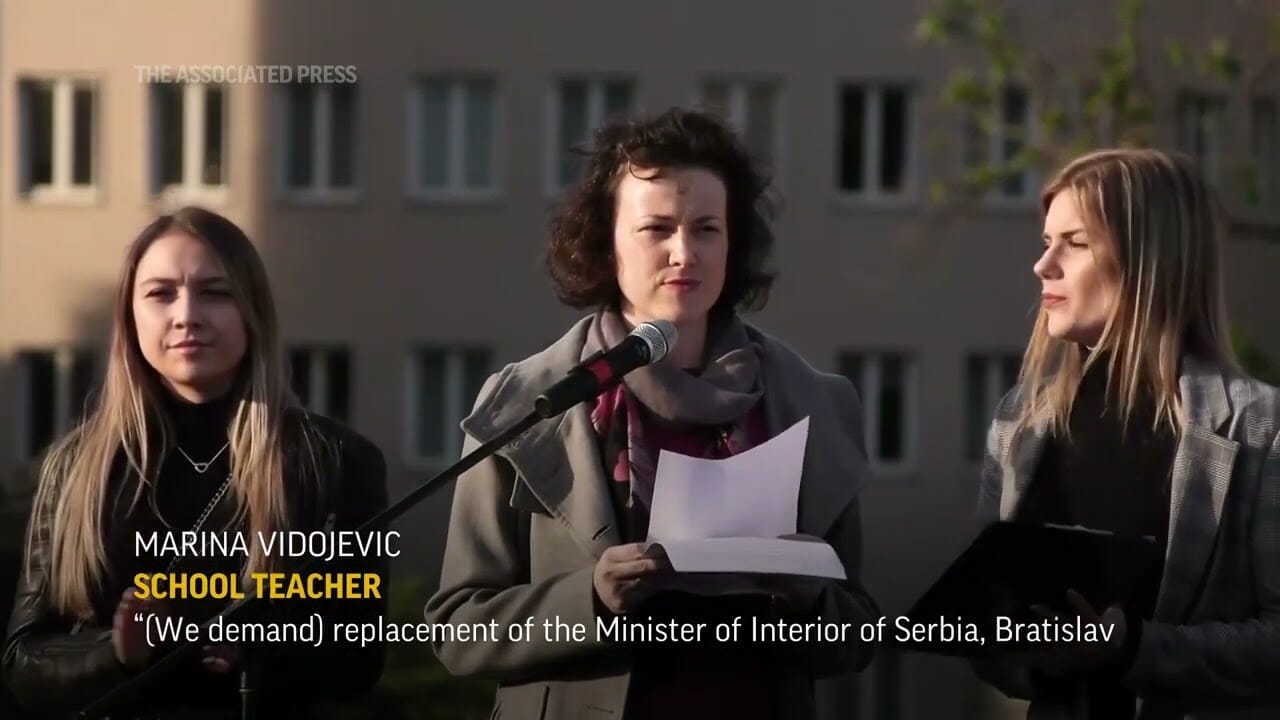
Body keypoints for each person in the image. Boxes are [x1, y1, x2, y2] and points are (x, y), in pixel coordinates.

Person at [425, 108, 879, 720]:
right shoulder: (527, 402)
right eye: (657, 228)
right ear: (605, 243)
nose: (684, 253)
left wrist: (810, 599)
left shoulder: (815, 404)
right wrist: (590, 597)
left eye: (707, 229)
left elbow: (859, 638)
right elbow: (458, 630)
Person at [3, 207, 388, 719]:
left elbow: (358, 657)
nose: (187, 314)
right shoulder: (72, 468)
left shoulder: (335, 462)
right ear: (130, 315)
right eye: (160, 293)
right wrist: (116, 653)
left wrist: (248, 647)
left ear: (253, 311)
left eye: (215, 292)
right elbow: (23, 662)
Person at [974, 148, 1280, 718]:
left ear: (1149, 260)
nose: (1044, 266)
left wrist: (1132, 648)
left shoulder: (1260, 429)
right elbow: (988, 636)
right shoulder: (1019, 423)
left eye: (1076, 242)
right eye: (1047, 242)